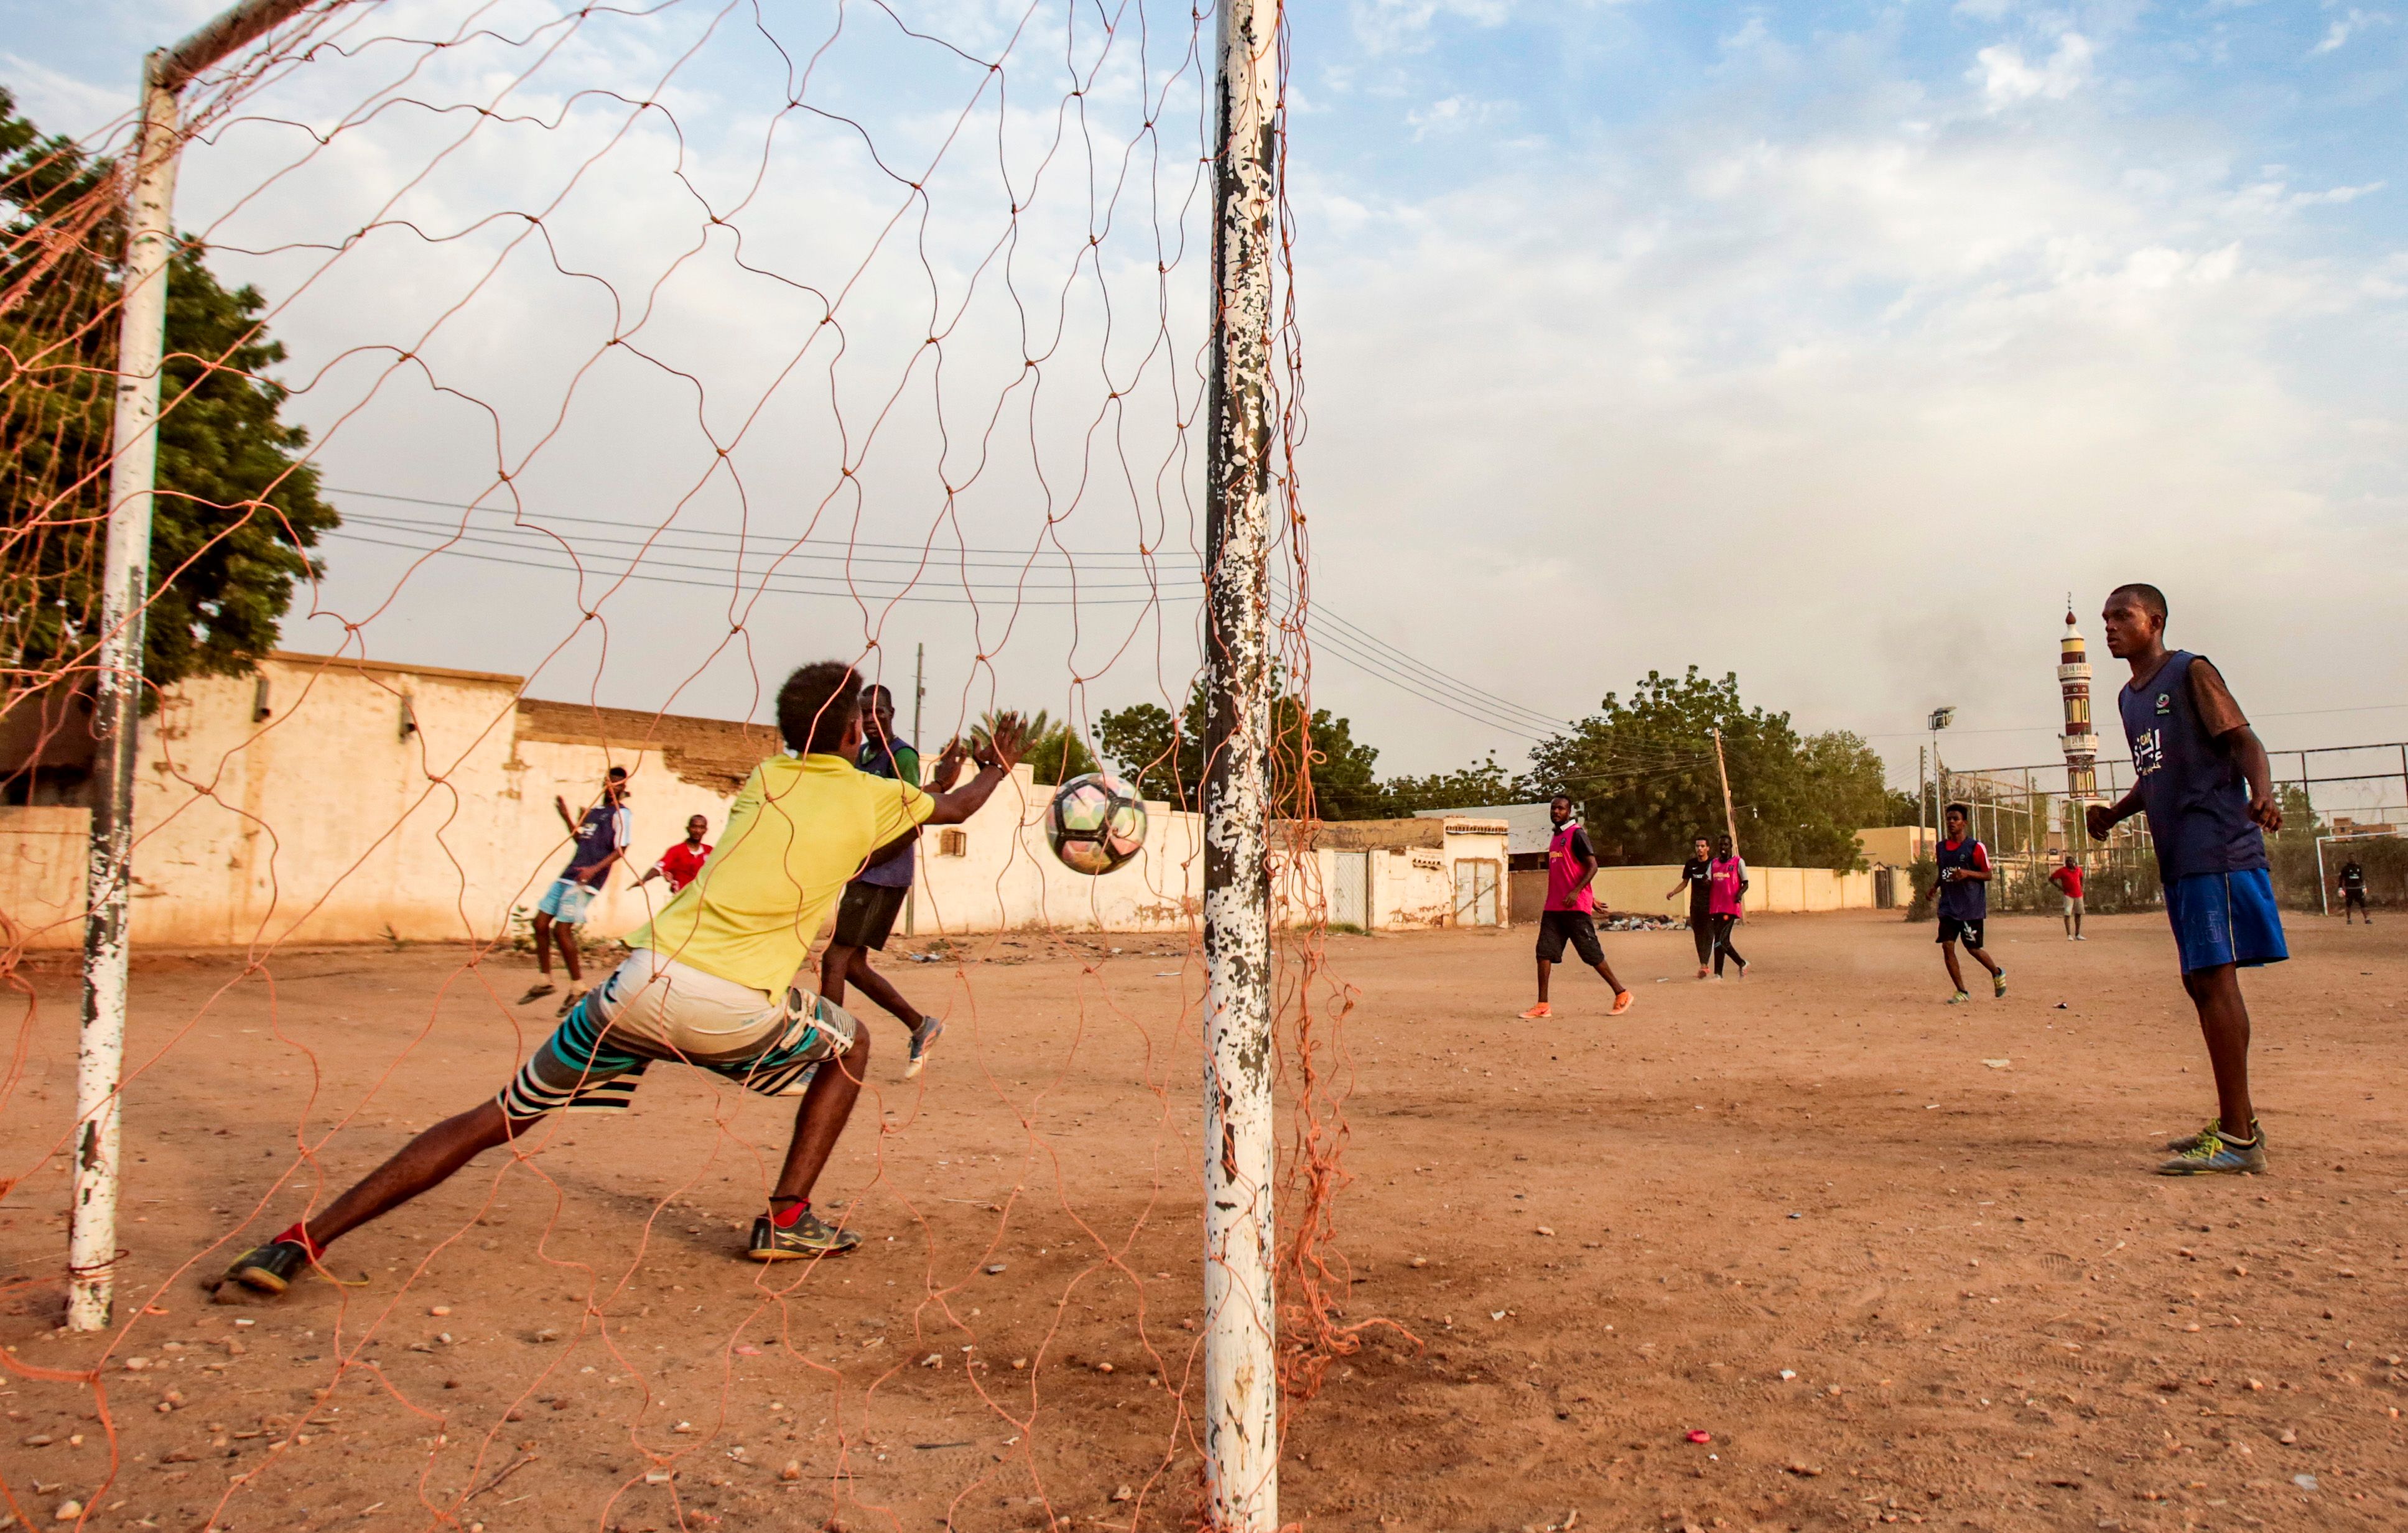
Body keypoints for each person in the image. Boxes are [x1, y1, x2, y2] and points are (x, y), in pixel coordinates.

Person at [218, 664, 1028, 1295]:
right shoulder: (867, 793)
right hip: (726, 1005)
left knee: (494, 1117)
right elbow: (947, 811)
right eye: (865, 719)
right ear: (855, 729)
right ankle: (785, 1217)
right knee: (847, 1043)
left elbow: (879, 817)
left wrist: (926, 782)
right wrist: (995, 769)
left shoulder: (764, 780)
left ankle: (298, 1241)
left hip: (633, 986)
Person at [2086, 582, 2284, 1177]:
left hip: (2216, 845)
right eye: (2104, 618)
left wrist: (2263, 793)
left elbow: (2243, 739)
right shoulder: (2127, 699)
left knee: (2214, 983)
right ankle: (2237, 1119)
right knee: (2199, 985)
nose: (2110, 626)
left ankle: (2239, 1141)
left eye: (2122, 615)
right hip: (2178, 854)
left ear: (2155, 620)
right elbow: (2155, 776)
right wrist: (2114, 814)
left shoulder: (2189, 671)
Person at [819, 683, 951, 1078]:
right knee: (854, 965)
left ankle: (827, 1051)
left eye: (880, 712)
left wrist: (872, 860)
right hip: (865, 867)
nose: (873, 721)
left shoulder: (902, 756)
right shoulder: (862, 756)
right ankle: (920, 1026)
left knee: (834, 959)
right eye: (864, 714)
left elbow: (913, 818)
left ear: (892, 712)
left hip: (884, 872)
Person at [520, 767, 632, 1012]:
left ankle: (577, 986)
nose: (611, 785)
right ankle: (545, 980)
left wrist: (593, 870)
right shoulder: (594, 813)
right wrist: (568, 819)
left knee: (562, 929)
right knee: (539, 924)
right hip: (569, 874)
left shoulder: (622, 814)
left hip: (586, 879)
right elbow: (582, 842)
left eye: (616, 782)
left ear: (623, 788)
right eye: (608, 781)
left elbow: (621, 849)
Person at [1518, 794, 1632, 1019]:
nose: (1556, 812)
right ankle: (1543, 1005)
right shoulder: (1555, 837)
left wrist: (1579, 893)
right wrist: (1591, 897)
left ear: (1569, 812)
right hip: (1554, 907)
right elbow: (1568, 873)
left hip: (1574, 908)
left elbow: (1592, 866)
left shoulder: (1577, 835)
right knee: (1543, 953)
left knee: (1591, 955)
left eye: (1560, 808)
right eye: (1553, 808)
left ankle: (1622, 993)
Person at [1934, 803, 2004, 1003]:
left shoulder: (1975, 847)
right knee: (1947, 946)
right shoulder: (1941, 847)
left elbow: (1988, 875)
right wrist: (1934, 887)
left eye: (1955, 818)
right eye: (1948, 818)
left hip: (1970, 907)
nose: (1951, 822)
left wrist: (1967, 873)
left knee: (1973, 949)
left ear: (1964, 822)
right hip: (1948, 906)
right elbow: (1944, 872)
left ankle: (1997, 972)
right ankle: (1962, 991)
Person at [1665, 835, 1715, 978]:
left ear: (1708, 848)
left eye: (1702, 846)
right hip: (1696, 906)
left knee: (1709, 934)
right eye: (1697, 846)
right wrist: (1673, 892)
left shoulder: (1713, 864)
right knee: (1698, 935)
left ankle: (1705, 964)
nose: (1699, 849)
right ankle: (1703, 964)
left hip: (1711, 905)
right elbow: (1685, 883)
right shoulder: (1690, 864)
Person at [1705, 834, 1749, 979]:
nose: (1723, 848)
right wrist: (1705, 882)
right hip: (1716, 907)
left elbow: (1746, 883)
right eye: (1721, 845)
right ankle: (1720, 973)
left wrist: (1739, 894)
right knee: (1719, 940)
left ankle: (1740, 964)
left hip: (1730, 907)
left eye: (1725, 845)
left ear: (1730, 847)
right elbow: (1709, 880)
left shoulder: (1738, 862)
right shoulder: (1714, 863)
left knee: (1721, 940)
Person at [638, 813, 714, 895]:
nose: (697, 831)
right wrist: (644, 880)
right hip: (681, 898)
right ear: (688, 829)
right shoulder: (676, 851)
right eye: (694, 827)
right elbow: (659, 868)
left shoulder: (710, 851)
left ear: (706, 830)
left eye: (701, 827)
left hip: (703, 898)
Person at [2048, 854, 2086, 940]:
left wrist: (2081, 886)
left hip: (2078, 895)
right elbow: (2051, 879)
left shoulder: (2078, 870)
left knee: (2078, 914)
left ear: (2074, 862)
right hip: (2068, 895)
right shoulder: (2062, 871)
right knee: (2068, 914)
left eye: (2071, 861)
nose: (2069, 863)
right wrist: (2060, 888)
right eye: (2067, 862)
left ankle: (2078, 934)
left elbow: (2081, 878)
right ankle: (2069, 935)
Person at [2338, 859, 2371, 924]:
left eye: (2353, 858)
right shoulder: (2345, 868)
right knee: (2349, 904)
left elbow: (2362, 878)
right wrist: (2340, 888)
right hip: (2349, 889)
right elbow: (2341, 879)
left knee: (2363, 904)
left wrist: (2364, 887)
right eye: (2350, 858)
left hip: (2358, 888)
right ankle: (2349, 919)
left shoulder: (2359, 867)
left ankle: (2367, 919)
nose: (2352, 860)